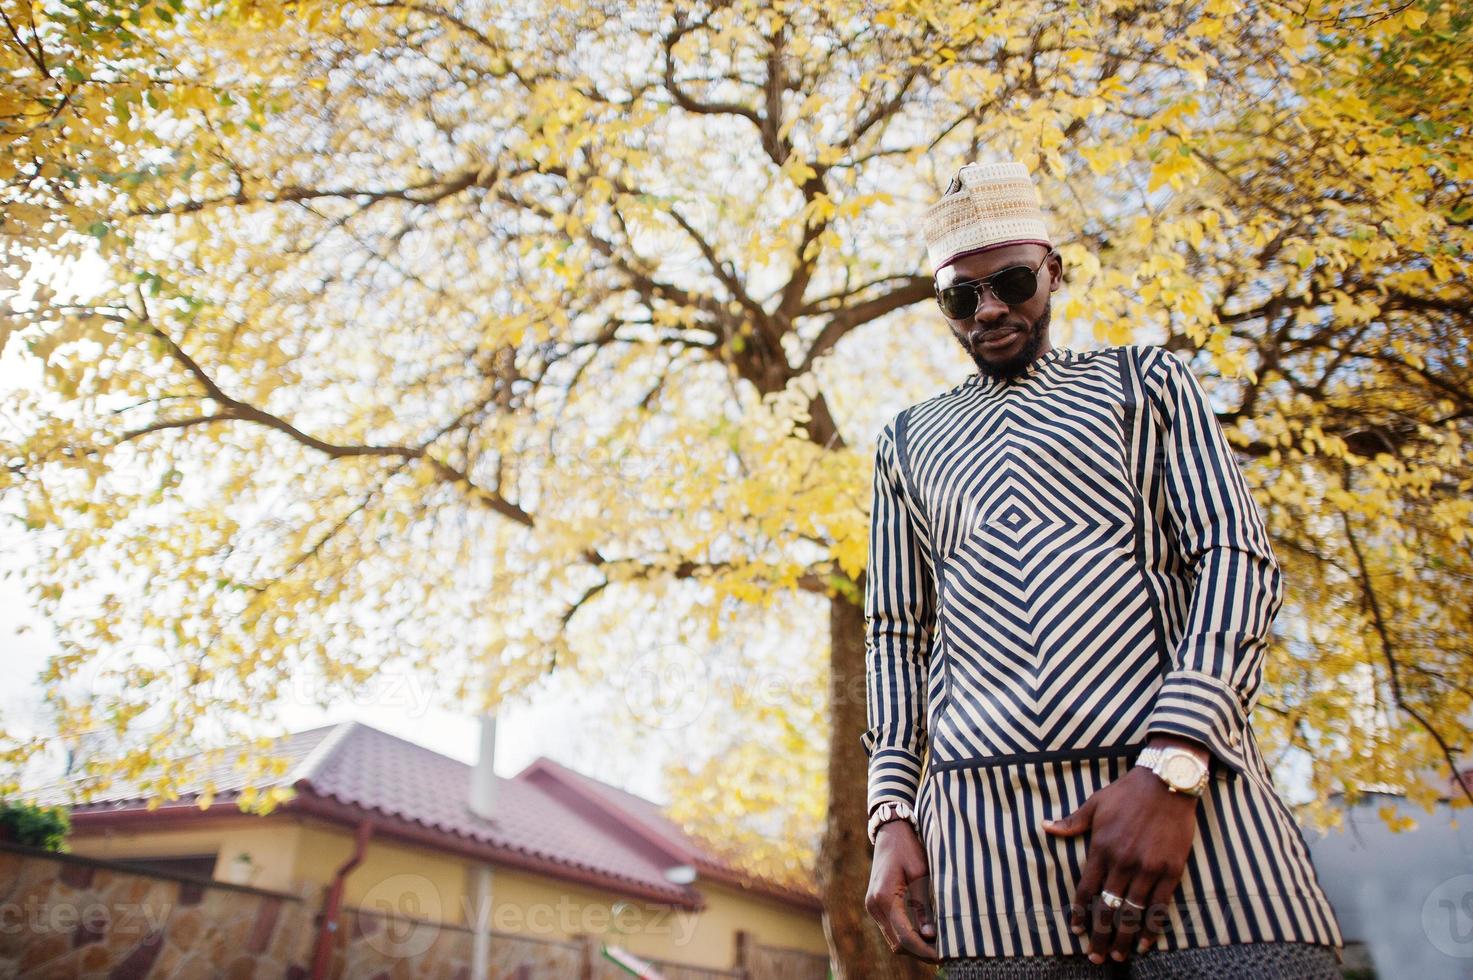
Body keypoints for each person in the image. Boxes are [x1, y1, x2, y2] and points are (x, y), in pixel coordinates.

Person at [860, 160, 1346, 978]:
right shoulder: (904, 440)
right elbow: (896, 637)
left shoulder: (1145, 383)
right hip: (989, 856)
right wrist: (889, 815)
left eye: (1010, 281)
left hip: (1194, 823)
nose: (987, 310)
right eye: (958, 296)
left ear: (1053, 271)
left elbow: (1233, 557)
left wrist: (1172, 764)